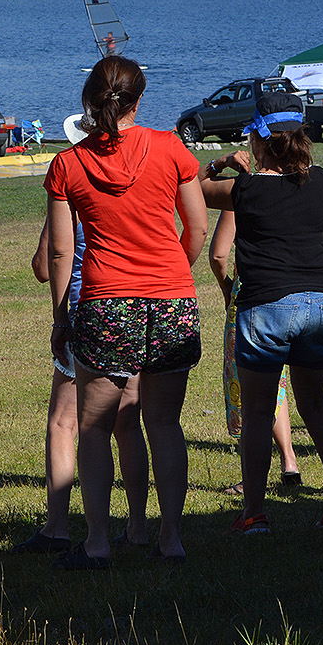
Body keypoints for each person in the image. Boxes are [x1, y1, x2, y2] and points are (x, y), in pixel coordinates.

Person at [44, 56, 208, 567]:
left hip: (104, 303)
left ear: (90, 100)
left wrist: (60, 317)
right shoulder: (171, 149)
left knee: (93, 427)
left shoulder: (68, 165)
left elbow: (58, 253)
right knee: (164, 424)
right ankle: (170, 539)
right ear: (139, 99)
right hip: (172, 300)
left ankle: (96, 543)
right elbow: (197, 228)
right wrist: (170, 274)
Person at [199, 92, 323, 535]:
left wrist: (220, 165)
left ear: (257, 138)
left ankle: (254, 512)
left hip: (265, 305)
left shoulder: (243, 189)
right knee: (315, 404)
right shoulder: (322, 181)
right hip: (320, 304)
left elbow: (190, 189)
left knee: (257, 412)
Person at [20, 123, 152, 553]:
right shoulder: (132, 179)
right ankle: (137, 526)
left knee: (65, 421)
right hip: (134, 307)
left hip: (84, 309)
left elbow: (45, 265)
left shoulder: (71, 183)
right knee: (127, 422)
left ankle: (58, 525)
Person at [208, 210, 302, 495]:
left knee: (243, 387)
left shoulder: (243, 194)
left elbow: (218, 256)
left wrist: (228, 288)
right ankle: (289, 461)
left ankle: (249, 478)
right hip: (289, 293)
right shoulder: (295, 188)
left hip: (250, 297)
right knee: (277, 380)